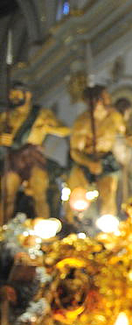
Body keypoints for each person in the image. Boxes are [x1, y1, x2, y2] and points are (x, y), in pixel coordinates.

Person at [0, 81, 70, 223]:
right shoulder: (7, 117)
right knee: (7, 196)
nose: (13, 97)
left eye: (16, 94)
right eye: (11, 94)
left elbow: (66, 130)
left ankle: (43, 229)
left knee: (39, 194)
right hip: (14, 157)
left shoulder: (41, 114)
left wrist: (49, 129)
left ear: (27, 95)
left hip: (33, 156)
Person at [66, 86, 127, 220]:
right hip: (86, 160)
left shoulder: (114, 117)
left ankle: (108, 222)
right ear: (97, 101)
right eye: (105, 97)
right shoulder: (82, 122)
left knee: (109, 190)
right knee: (77, 191)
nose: (109, 100)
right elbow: (75, 151)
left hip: (106, 159)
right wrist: (88, 163)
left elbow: (124, 132)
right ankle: (74, 221)